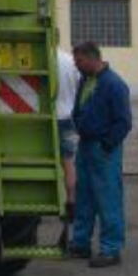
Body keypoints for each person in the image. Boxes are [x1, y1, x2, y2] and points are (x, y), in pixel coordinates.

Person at [69, 41, 132, 268]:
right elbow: (78, 109)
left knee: (108, 200)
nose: (76, 65)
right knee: (84, 196)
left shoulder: (114, 84)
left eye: (79, 61)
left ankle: (111, 249)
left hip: (103, 149)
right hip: (86, 146)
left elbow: (124, 122)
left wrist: (107, 144)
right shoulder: (87, 80)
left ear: (92, 57)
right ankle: (80, 243)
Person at [56, 47, 82, 219]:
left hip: (46, 117)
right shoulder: (70, 61)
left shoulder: (35, 55)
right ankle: (71, 203)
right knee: (69, 163)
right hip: (68, 117)